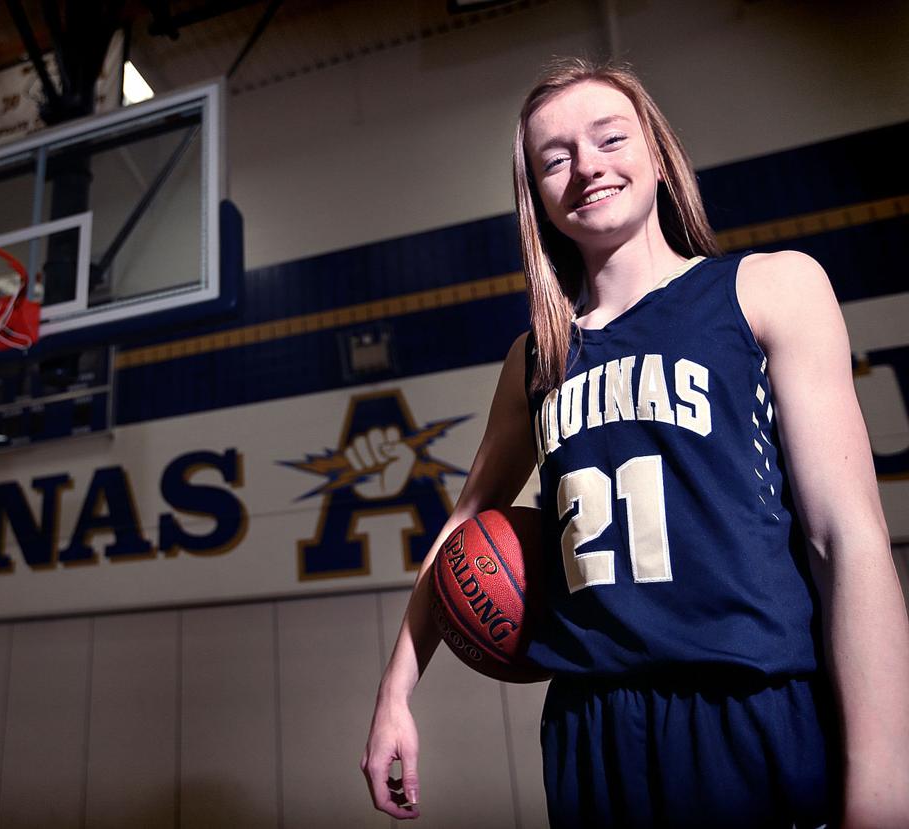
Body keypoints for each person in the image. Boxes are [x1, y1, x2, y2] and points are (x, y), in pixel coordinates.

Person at [360, 57, 909, 828]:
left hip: (747, 706)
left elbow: (846, 540)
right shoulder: (535, 359)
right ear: (538, 198)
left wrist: (884, 781)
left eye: (609, 136)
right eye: (554, 158)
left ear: (655, 149)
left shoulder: (769, 288)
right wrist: (393, 697)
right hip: (591, 729)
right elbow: (463, 529)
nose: (586, 166)